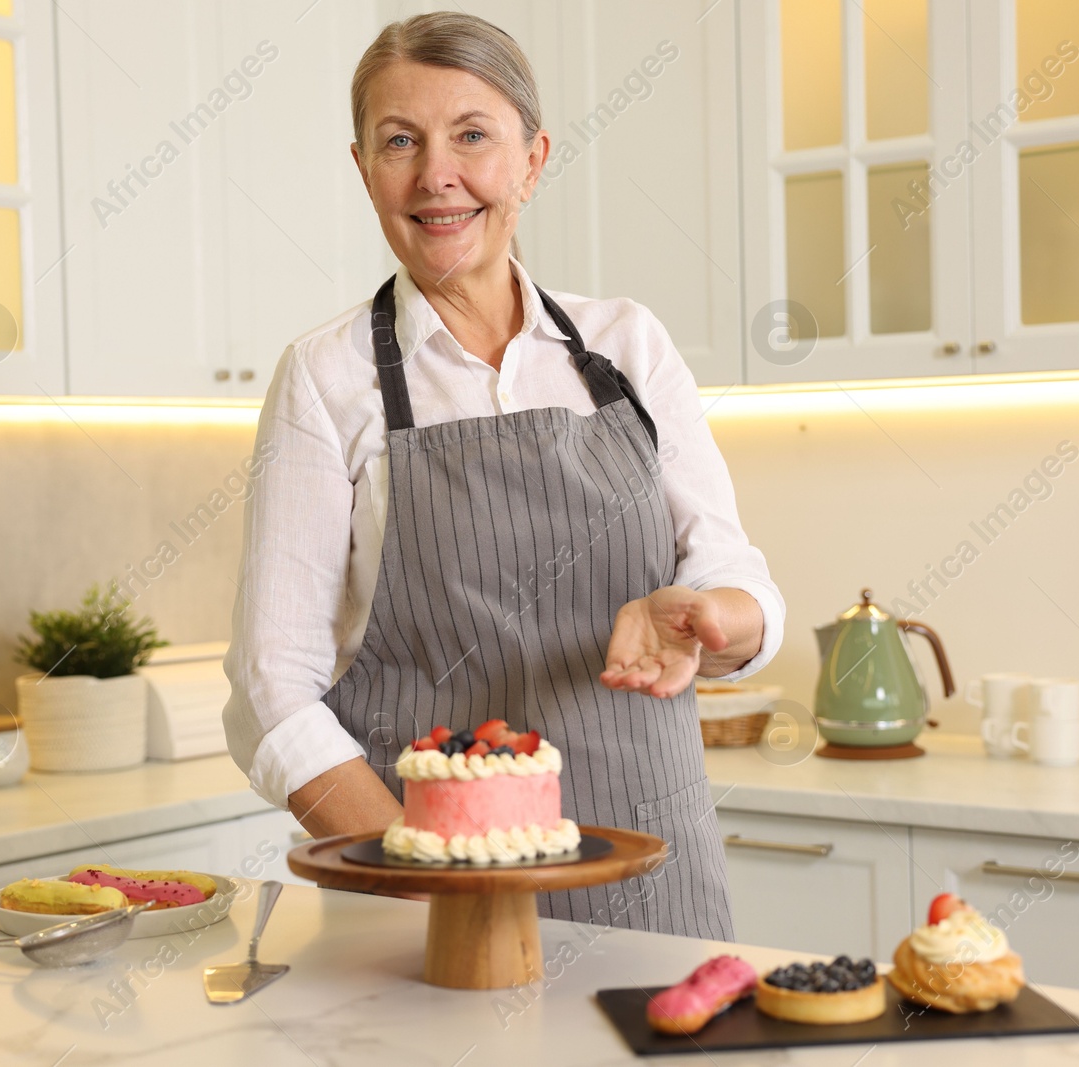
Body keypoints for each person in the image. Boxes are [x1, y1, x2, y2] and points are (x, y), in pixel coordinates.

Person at [223, 11, 782, 941]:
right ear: (363, 168)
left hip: (655, 881)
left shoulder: (626, 345)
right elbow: (272, 691)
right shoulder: (325, 380)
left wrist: (715, 617)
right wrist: (425, 871)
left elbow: (740, 580)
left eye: (472, 136)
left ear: (532, 158)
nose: (436, 174)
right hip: (429, 914)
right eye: (400, 141)